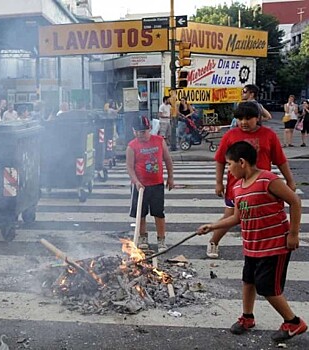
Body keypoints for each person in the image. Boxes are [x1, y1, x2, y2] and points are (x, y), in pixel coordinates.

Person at [197, 141, 306, 342]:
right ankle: (247, 317)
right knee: (248, 281)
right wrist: (213, 226)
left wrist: (293, 233)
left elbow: (295, 201)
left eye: (229, 165)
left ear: (242, 162)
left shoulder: (268, 180)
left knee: (267, 288)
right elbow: (237, 217)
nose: (228, 170)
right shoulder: (238, 187)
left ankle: (293, 321)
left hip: (274, 246)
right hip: (252, 246)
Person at [206, 102, 295, 259]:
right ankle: (214, 241)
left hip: (264, 188)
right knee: (232, 217)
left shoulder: (269, 135)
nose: (244, 122)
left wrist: (290, 180)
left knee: (262, 217)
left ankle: (264, 248)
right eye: (240, 119)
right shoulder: (230, 136)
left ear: (258, 118)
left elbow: (280, 160)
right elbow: (220, 160)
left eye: (248, 118)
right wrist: (218, 182)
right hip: (237, 187)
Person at [126, 115, 174, 252]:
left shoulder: (159, 141)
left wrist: (170, 178)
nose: (141, 135)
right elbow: (129, 167)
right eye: (138, 132)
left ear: (150, 129)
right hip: (139, 186)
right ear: (133, 131)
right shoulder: (132, 146)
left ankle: (161, 239)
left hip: (157, 183)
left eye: (144, 131)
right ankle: (143, 237)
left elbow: (168, 160)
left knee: (159, 213)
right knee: (140, 213)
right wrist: (136, 181)